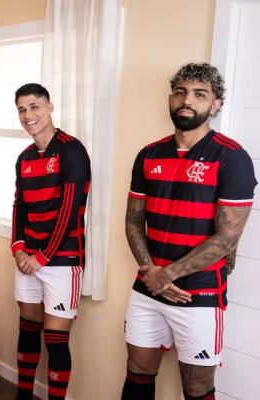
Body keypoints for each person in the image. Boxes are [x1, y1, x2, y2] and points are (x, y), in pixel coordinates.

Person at [122, 62, 257, 400]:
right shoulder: (149, 154)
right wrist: (152, 274)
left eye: (200, 94)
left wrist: (165, 275)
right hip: (146, 287)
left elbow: (227, 238)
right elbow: (133, 221)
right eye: (180, 92)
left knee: (197, 387)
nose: (187, 100)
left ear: (215, 105)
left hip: (199, 294)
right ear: (170, 98)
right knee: (137, 371)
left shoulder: (232, 158)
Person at [11, 83, 91, 400]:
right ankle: (22, 396)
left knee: (56, 340)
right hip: (27, 258)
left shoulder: (72, 150)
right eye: (22, 109)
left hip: (61, 261)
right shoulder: (25, 157)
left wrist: (42, 257)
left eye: (34, 107)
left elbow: (70, 210)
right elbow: (20, 206)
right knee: (27, 330)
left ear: (49, 107)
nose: (28, 115)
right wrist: (18, 247)